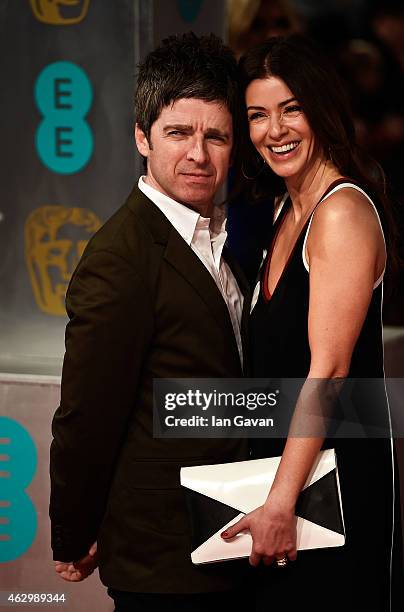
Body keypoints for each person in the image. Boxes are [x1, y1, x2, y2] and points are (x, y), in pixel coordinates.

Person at [49, 32, 251, 611]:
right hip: (162, 561)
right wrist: (75, 529)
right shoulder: (122, 256)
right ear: (142, 137)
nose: (198, 154)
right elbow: (87, 413)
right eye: (178, 133)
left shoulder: (216, 239)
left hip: (225, 540)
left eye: (216, 136)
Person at [222, 34, 403, 610]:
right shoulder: (285, 206)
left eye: (290, 109)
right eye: (257, 115)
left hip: (333, 488)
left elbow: (328, 371)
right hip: (285, 481)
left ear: (321, 109)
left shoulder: (342, 211)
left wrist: (281, 501)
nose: (274, 130)